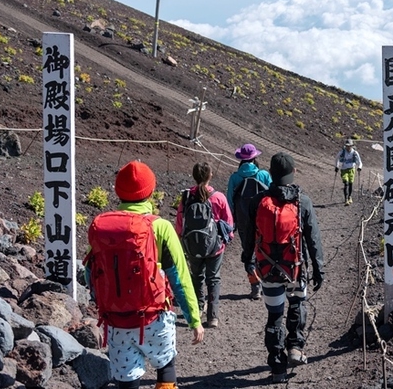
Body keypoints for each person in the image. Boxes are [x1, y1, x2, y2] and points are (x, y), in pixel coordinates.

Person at [84, 161, 204, 389]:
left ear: (118, 191)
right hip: (154, 319)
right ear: (150, 191)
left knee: (126, 380)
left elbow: (88, 273)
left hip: (116, 322)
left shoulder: (103, 228)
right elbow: (179, 277)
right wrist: (194, 320)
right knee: (166, 366)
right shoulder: (160, 227)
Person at [242, 152, 324, 385]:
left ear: (270, 174)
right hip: (295, 268)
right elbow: (313, 239)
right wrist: (319, 269)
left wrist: (247, 259)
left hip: (267, 269)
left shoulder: (257, 202)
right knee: (297, 304)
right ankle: (296, 348)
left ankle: (277, 366)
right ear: (293, 173)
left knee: (274, 316)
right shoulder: (303, 201)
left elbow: (249, 236)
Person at [175, 161, 234, 328]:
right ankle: (212, 316)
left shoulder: (187, 196)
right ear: (210, 176)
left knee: (196, 276)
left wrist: (181, 239)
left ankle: (198, 308)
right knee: (213, 278)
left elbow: (180, 221)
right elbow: (228, 222)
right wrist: (227, 238)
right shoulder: (218, 197)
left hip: (192, 244)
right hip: (215, 245)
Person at [227, 143, 272, 298]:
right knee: (265, 249)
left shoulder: (235, 178)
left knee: (249, 252)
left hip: (243, 221)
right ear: (255, 158)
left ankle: (255, 285)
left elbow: (230, 201)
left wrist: (232, 221)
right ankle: (269, 281)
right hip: (264, 220)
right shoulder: (264, 175)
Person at [334, 138, 363, 205]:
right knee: (346, 183)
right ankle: (346, 199)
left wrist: (359, 167)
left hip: (352, 169)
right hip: (344, 169)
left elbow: (360, 162)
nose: (348, 147)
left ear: (352, 146)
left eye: (349, 146)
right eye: (347, 146)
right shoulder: (342, 152)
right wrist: (337, 166)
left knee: (350, 184)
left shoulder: (355, 153)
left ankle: (350, 197)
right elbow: (336, 158)